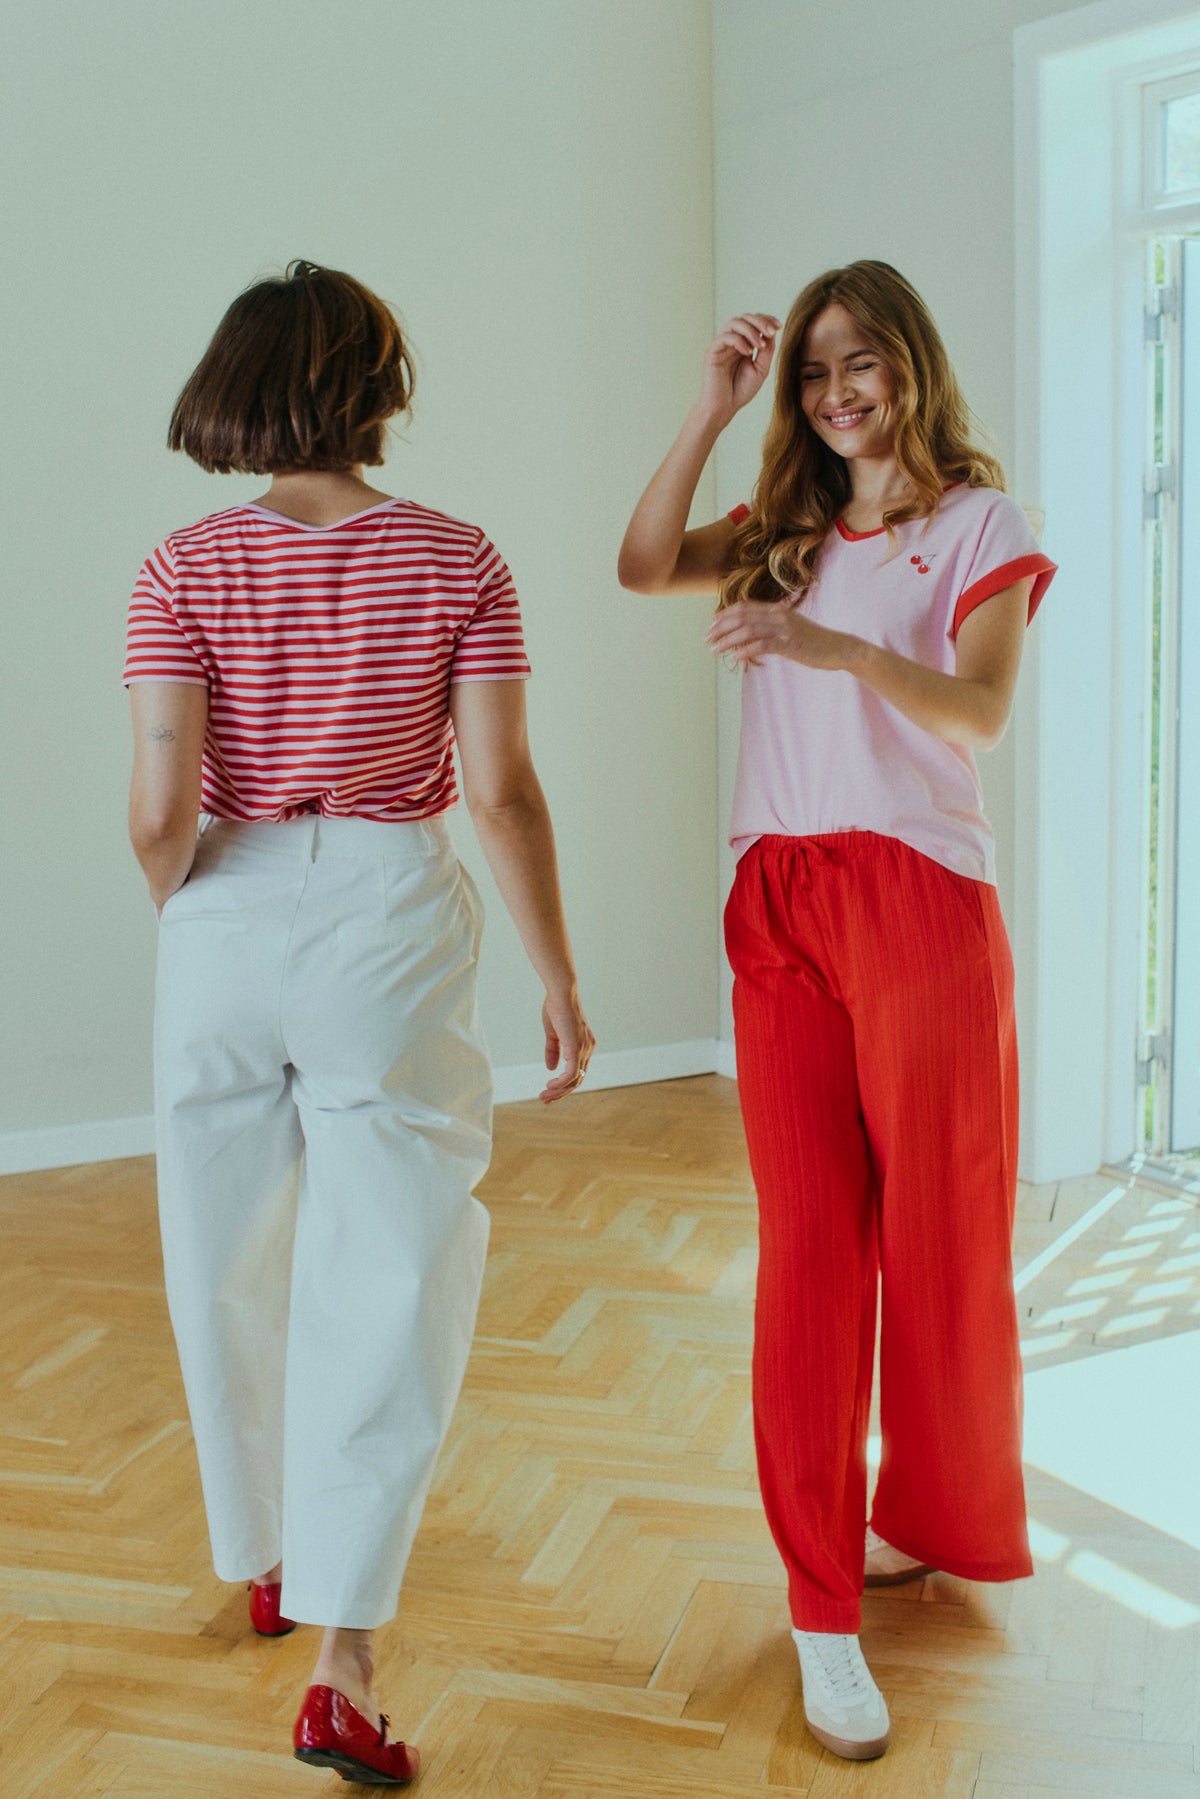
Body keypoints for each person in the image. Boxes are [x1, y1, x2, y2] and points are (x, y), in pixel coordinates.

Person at [125, 260, 594, 1785]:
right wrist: (558, 976)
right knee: (390, 1268)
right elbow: (501, 793)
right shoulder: (459, 558)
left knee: (222, 1251)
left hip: (220, 900)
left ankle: (264, 1552)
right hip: (387, 908)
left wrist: (207, 914)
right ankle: (343, 1660)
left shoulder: (182, 566)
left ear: (236, 384)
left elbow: (157, 812)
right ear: (377, 386)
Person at [618, 260, 1053, 1763]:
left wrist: (830, 648)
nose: (836, 392)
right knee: (809, 1251)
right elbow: (641, 563)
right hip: (779, 898)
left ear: (909, 363)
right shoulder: (783, 528)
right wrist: (710, 407)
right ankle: (821, 1609)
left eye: (859, 361)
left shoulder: (978, 524)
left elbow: (980, 712)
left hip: (920, 898)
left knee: (938, 1236)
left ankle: (922, 1516)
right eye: (813, 371)